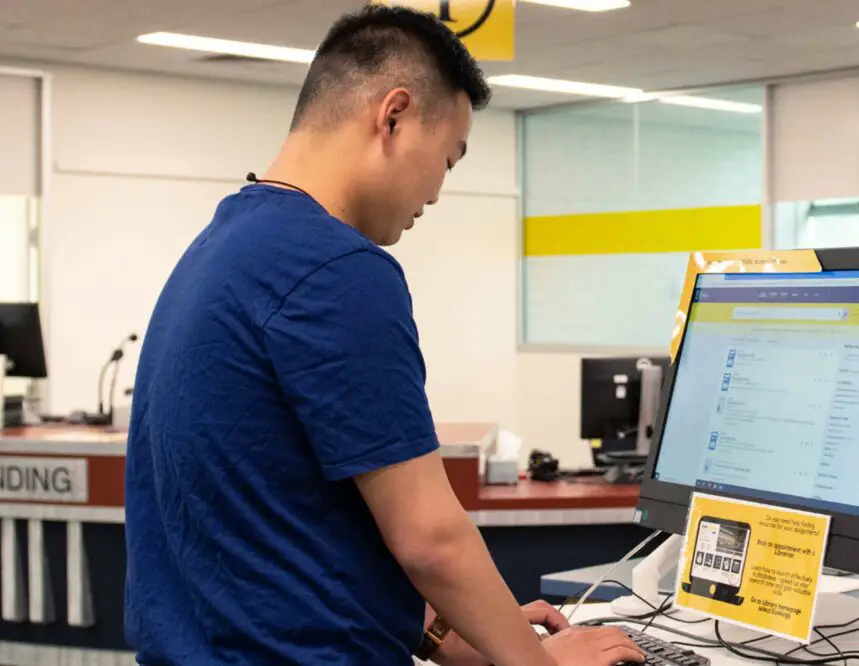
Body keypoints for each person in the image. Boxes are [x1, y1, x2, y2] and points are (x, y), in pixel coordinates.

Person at [123, 5, 644, 666]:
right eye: (448, 159)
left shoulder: (222, 246)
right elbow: (429, 537)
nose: (436, 191)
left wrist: (444, 632)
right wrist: (539, 662)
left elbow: (281, 515)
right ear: (393, 115)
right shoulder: (336, 268)